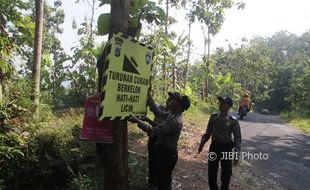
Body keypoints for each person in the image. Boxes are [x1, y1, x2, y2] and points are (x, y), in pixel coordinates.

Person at [129, 91, 190, 190]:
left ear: (179, 106)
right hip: (164, 150)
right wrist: (147, 119)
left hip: (167, 153)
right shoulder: (172, 114)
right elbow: (159, 114)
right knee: (162, 178)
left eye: (175, 100)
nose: (171, 101)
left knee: (163, 182)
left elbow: (154, 130)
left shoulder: (175, 120)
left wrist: (137, 121)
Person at [197, 96, 241, 190]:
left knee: (226, 172)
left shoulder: (233, 120)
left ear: (229, 106)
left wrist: (237, 152)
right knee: (212, 171)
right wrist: (202, 144)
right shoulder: (214, 117)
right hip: (215, 146)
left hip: (226, 148)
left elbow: (237, 137)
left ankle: (224, 188)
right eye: (220, 102)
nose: (220, 104)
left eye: (223, 103)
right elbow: (208, 132)